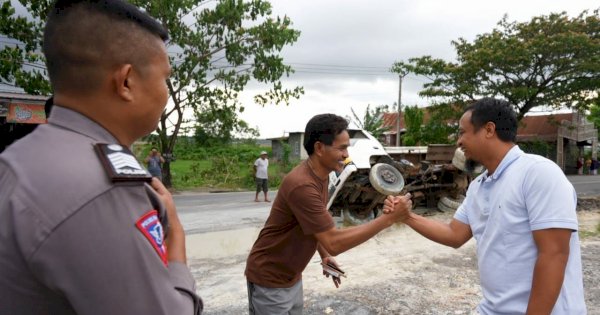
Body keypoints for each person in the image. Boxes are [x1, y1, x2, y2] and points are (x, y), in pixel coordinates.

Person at [0, 1, 202, 314]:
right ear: (126, 82)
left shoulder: (18, 158)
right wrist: (175, 236)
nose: (166, 92)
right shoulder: (102, 190)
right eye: (166, 79)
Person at [385, 98, 586, 314]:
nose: (458, 142)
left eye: (463, 132)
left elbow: (554, 253)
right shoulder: (479, 186)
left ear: (489, 129)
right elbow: (454, 234)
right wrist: (407, 217)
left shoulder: (538, 173)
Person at [245, 113, 413, 315]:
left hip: (291, 277)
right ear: (319, 148)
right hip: (269, 281)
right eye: (341, 148)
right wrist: (388, 219)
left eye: (347, 148)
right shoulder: (302, 185)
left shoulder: (322, 176)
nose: (346, 155)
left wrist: (324, 255)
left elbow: (314, 226)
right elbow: (334, 242)